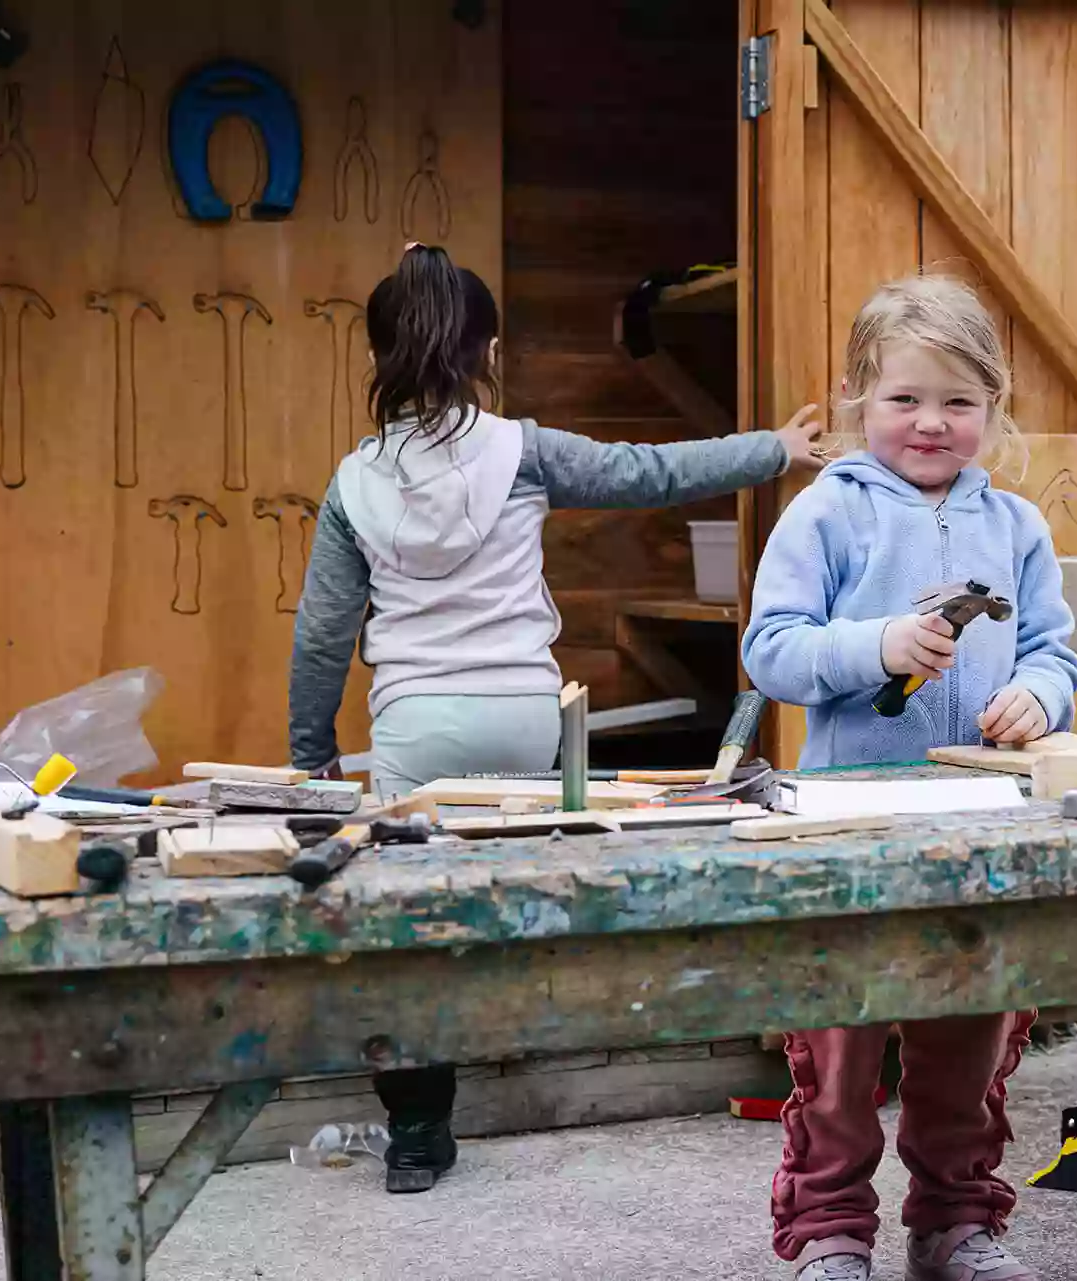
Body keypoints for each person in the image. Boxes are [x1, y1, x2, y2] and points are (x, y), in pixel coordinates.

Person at [288, 243, 823, 1193]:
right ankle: (564, 1058)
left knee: (409, 933)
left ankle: (418, 1133)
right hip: (530, 722)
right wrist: (773, 449)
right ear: (487, 348)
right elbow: (649, 473)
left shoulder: (353, 484)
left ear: (377, 359)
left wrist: (313, 757)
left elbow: (323, 637)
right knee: (521, 893)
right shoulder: (524, 450)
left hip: (416, 731)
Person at [741, 273, 1077, 1280]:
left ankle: (956, 1224)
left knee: (970, 1036)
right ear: (858, 401)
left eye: (959, 402)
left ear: (993, 409)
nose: (931, 423)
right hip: (847, 823)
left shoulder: (1016, 528)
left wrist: (1040, 697)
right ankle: (831, 1234)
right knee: (838, 1049)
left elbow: (1055, 652)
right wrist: (877, 648)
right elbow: (773, 650)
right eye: (905, 399)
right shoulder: (824, 516)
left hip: (985, 821)